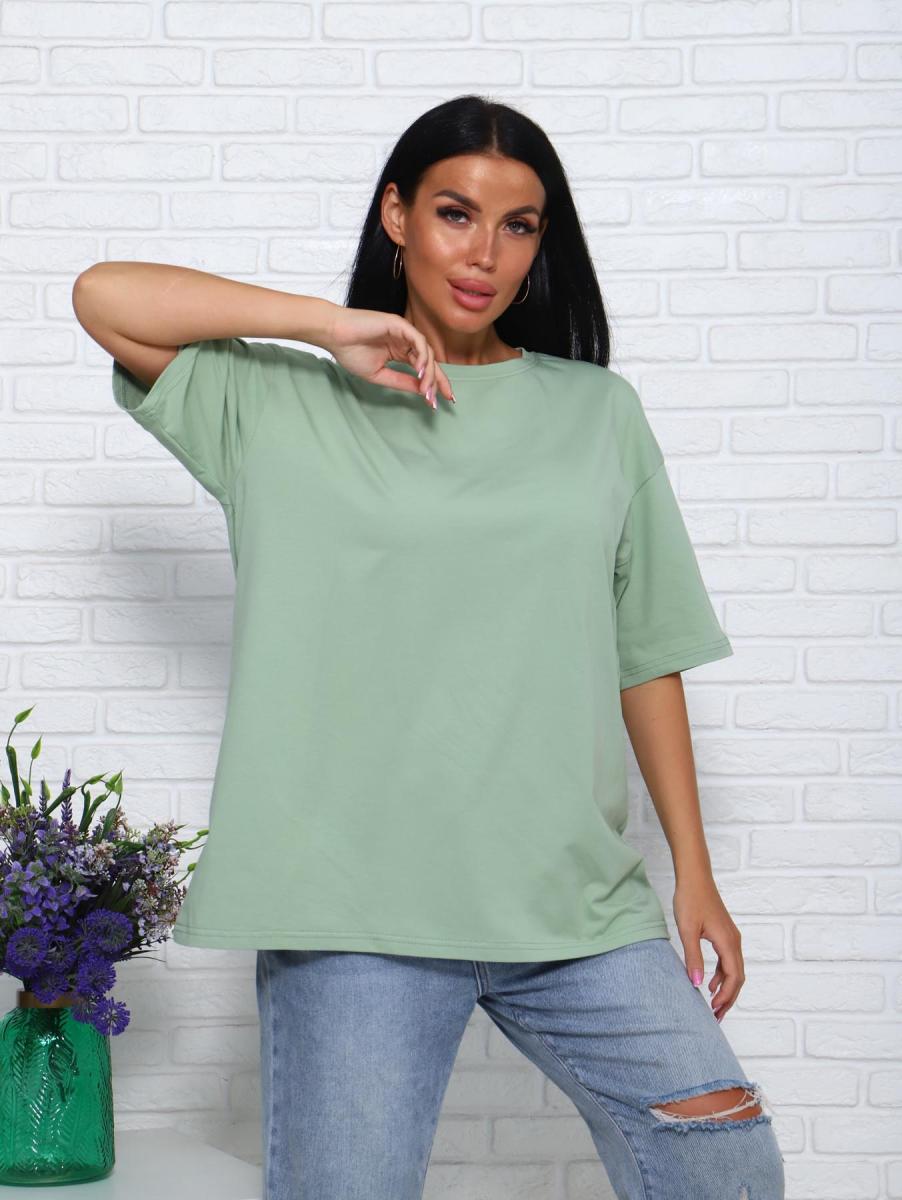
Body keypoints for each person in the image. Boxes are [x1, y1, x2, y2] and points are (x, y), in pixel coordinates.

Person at [73, 95, 785, 1200]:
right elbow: (102, 296)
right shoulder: (276, 402)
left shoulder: (596, 413)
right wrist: (327, 326)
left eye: (518, 225)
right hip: (351, 911)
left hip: (572, 902)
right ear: (397, 215)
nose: (485, 253)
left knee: (725, 1162)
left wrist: (694, 872)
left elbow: (644, 649)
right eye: (456, 213)